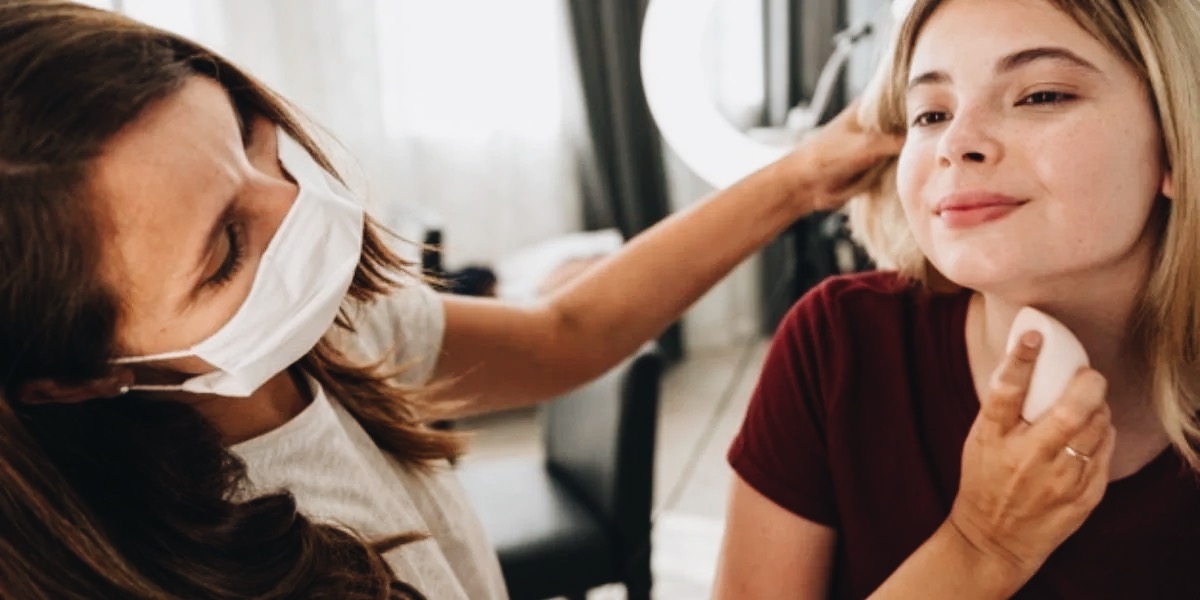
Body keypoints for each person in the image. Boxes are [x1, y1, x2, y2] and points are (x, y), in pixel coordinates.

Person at [0, 2, 902, 598]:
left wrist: (801, 176)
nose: (299, 205)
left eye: (247, 134)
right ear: (73, 379)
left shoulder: (331, 334)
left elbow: (567, 334)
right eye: (228, 247)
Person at [716, 0, 1200, 598]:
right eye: (931, 113)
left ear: (1176, 144)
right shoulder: (838, 344)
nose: (956, 141)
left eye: (1041, 95)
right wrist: (980, 549)